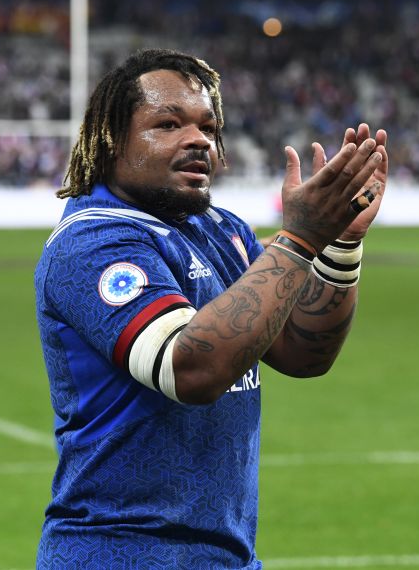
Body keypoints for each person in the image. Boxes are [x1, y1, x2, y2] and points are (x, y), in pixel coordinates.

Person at [34, 48, 389, 569]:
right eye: (168, 123)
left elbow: (303, 354)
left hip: (225, 557)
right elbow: (192, 369)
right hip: (120, 554)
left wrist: (338, 245)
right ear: (111, 141)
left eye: (207, 126)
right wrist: (299, 239)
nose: (198, 139)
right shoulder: (93, 242)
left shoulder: (220, 229)